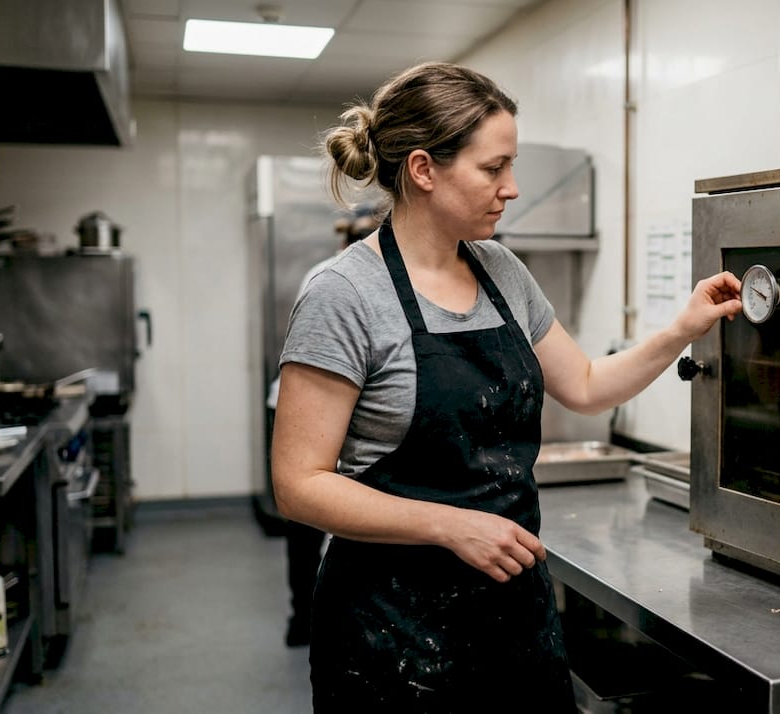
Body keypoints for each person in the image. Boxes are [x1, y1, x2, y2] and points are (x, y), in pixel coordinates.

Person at [270, 61, 741, 712]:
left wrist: (680, 330)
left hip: (512, 617)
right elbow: (299, 485)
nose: (512, 188)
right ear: (424, 169)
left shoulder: (501, 271)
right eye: (494, 169)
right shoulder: (343, 295)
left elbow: (584, 384)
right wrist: (449, 526)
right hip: (390, 630)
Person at [268, 208, 384, 647]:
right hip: (306, 414)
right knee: (306, 521)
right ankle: (304, 615)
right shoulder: (333, 279)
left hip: (339, 413)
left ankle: (304, 616)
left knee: (311, 531)